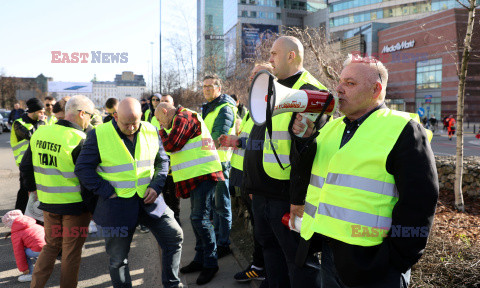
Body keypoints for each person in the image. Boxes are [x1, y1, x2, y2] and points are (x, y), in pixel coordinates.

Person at [294, 54, 439, 288]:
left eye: (350, 83)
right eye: (340, 82)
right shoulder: (330, 128)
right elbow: (305, 174)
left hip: (375, 264)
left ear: (376, 89)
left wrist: (396, 260)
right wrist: (302, 140)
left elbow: (420, 202)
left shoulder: (403, 129)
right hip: (331, 255)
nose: (339, 89)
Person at [243, 36, 327, 288]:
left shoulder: (312, 92)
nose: (269, 59)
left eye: (273, 54)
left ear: (292, 56)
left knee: (299, 260)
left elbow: (305, 151)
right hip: (262, 193)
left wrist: (297, 201)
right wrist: (251, 185)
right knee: (271, 254)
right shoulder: (271, 86)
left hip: (286, 196)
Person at [75, 98, 183, 288]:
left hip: (150, 201)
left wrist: (157, 185)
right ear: (115, 117)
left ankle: (172, 284)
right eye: (126, 123)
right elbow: (83, 168)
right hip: (116, 206)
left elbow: (162, 161)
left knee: (174, 236)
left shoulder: (150, 129)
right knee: (118, 260)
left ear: (141, 116)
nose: (132, 128)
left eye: (135, 122)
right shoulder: (99, 134)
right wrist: (107, 190)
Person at [19, 95, 95, 288]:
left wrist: (31, 189)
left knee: (51, 246)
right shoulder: (80, 139)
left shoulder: (41, 133)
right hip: (75, 208)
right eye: (90, 116)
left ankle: (36, 286)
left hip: (47, 204)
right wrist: (93, 208)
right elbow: (87, 180)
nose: (90, 121)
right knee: (70, 254)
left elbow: (26, 165)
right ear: (81, 114)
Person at [155, 102, 224, 285]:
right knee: (197, 219)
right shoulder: (183, 117)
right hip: (197, 175)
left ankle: (211, 262)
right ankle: (200, 259)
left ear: (164, 111)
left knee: (199, 219)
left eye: (159, 119)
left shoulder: (184, 117)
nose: (159, 123)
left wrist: (162, 131)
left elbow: (171, 144)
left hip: (203, 174)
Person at [220, 63, 273, 285]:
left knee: (263, 231)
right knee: (258, 227)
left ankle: (261, 268)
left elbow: (267, 145)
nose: (251, 77)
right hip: (246, 176)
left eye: (256, 74)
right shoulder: (256, 104)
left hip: (257, 179)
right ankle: (260, 266)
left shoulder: (270, 103)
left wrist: (239, 141)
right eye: (252, 74)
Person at [201, 74, 237, 258]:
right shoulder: (209, 107)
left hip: (220, 164)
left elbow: (215, 139)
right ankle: (217, 240)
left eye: (210, 86)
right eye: (204, 86)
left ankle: (224, 244)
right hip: (210, 163)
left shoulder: (225, 109)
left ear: (219, 89)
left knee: (222, 206)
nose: (207, 89)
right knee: (214, 207)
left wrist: (194, 147)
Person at [10, 98, 46, 213]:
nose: (42, 114)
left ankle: (34, 216)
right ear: (33, 111)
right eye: (40, 112)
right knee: (25, 189)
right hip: (25, 161)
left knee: (38, 189)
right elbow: (30, 136)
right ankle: (18, 215)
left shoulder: (42, 123)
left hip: (39, 160)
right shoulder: (19, 123)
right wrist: (41, 123)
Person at [2, 210, 45, 283]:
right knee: (33, 246)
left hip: (39, 249)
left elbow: (19, 253)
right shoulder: (34, 224)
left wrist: (24, 269)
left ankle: (30, 274)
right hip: (50, 247)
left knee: (24, 252)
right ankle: (43, 267)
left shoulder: (16, 233)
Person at [158, 94, 181, 225]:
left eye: (166, 101)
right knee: (164, 191)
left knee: (174, 191)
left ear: (171, 104)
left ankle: (176, 217)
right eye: (161, 101)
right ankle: (169, 218)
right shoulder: (155, 117)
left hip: (174, 160)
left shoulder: (176, 119)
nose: (162, 103)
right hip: (161, 159)